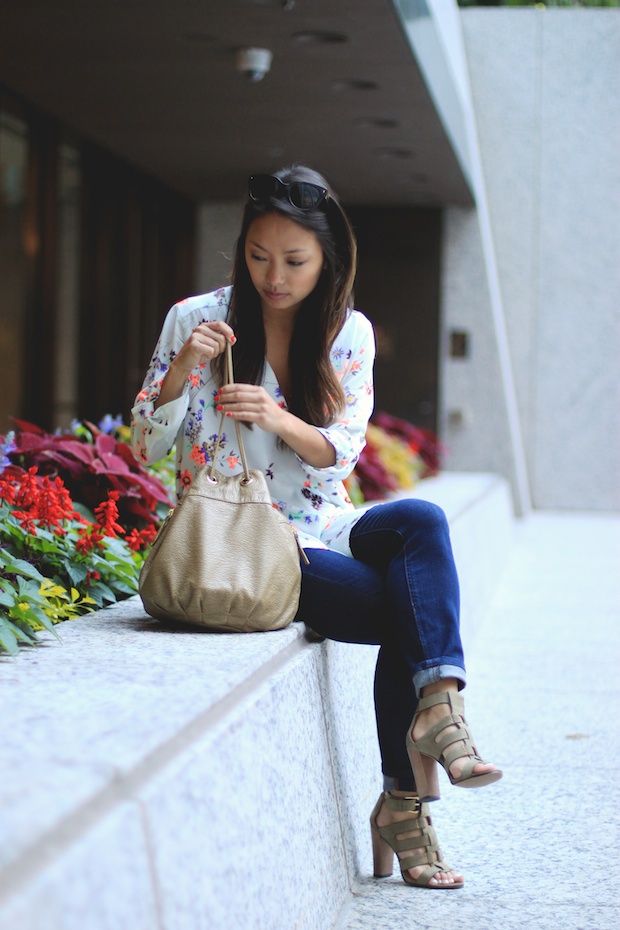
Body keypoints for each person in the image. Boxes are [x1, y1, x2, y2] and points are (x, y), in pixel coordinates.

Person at [131, 164, 502, 890]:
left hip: (320, 523)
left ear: (327, 259)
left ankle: (437, 709)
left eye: (294, 262)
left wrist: (276, 418)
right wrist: (183, 370)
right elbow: (144, 446)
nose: (273, 276)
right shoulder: (194, 318)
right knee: (408, 607)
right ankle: (409, 790)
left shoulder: (346, 332)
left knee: (420, 522)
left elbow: (342, 452)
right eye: (259, 256)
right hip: (239, 538)